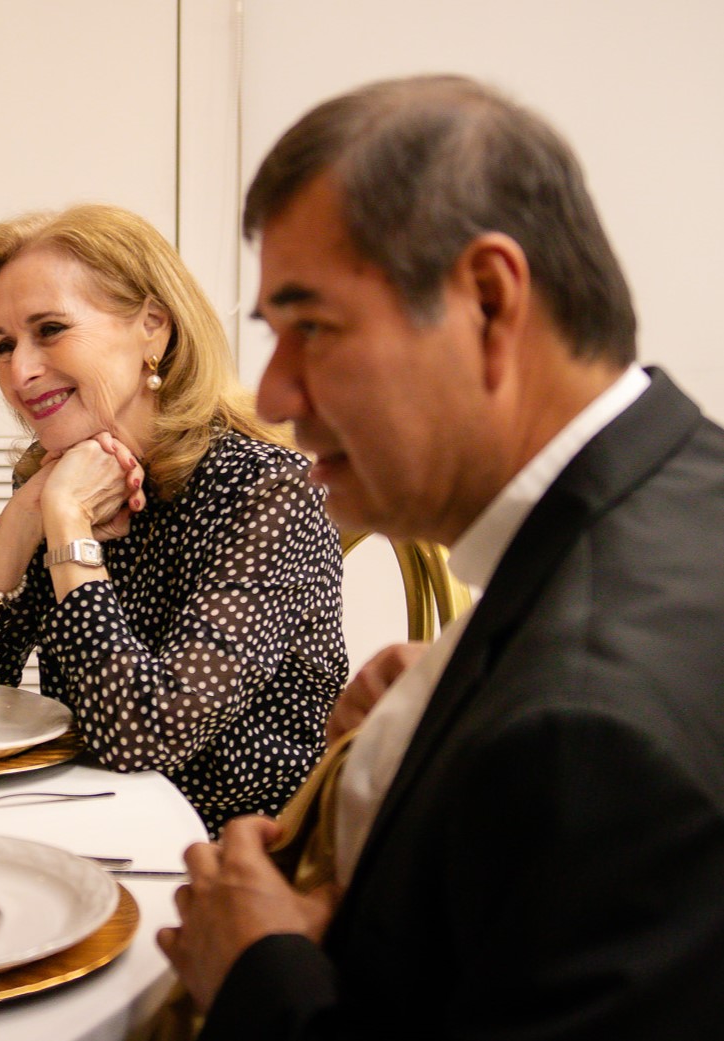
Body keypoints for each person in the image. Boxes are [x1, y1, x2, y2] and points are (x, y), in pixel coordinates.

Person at [158, 74, 724, 1037]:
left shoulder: (585, 730)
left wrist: (259, 970)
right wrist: (456, 707)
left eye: (311, 327)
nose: (276, 393)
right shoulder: (675, 483)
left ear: (489, 302)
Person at [0, 204, 347, 835]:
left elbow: (145, 736)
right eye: (4, 346)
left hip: (232, 851)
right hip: (91, 821)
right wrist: (26, 515)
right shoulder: (67, 475)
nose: (20, 372)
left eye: (50, 329)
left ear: (153, 329)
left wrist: (67, 525)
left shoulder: (269, 489)